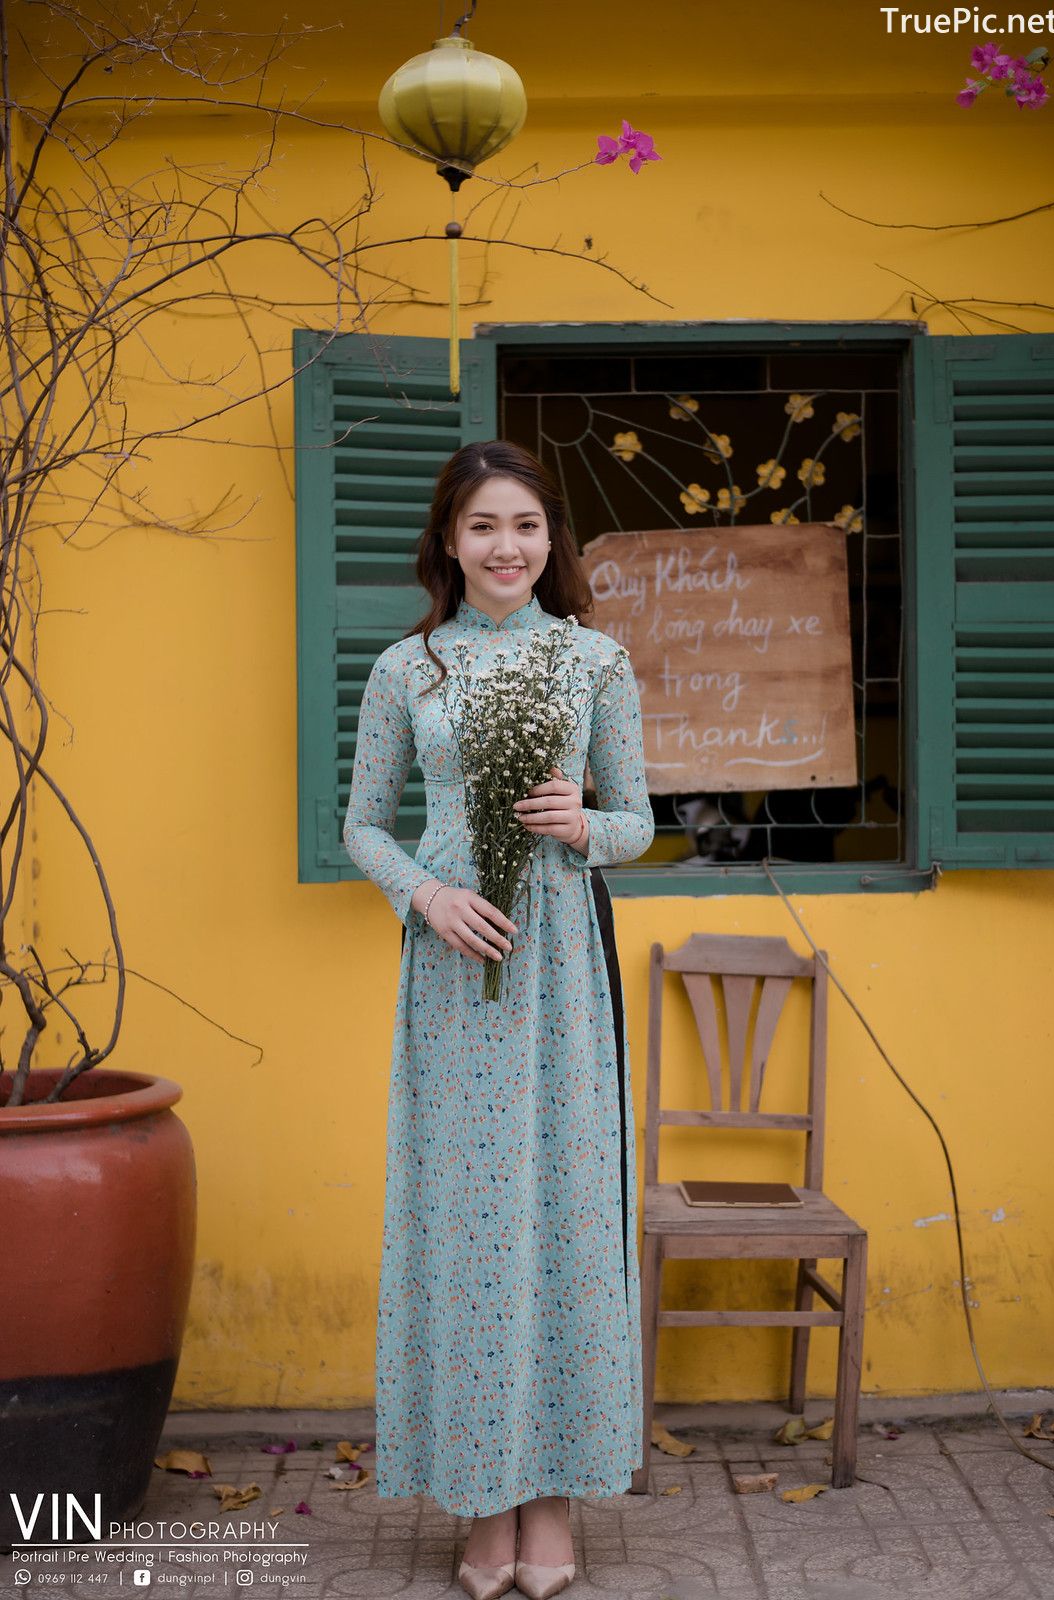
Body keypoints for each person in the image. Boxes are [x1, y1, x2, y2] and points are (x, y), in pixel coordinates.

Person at [343, 440, 654, 1600]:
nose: (506, 546)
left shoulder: (595, 661)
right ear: (448, 542)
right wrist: (424, 892)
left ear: (550, 540)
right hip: (453, 973)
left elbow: (640, 821)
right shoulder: (406, 670)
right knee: (467, 1227)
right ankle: (480, 1493)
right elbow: (363, 824)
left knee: (566, 1213)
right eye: (483, 526)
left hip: (564, 970)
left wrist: (585, 820)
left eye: (525, 524)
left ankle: (555, 1493)